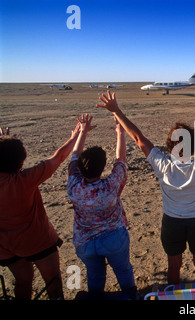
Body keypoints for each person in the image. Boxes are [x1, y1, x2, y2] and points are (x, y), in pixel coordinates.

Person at [95, 89, 195, 284]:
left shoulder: (162, 165)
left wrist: (117, 111)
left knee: (174, 266)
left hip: (172, 222)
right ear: (192, 146)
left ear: (170, 146)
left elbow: (138, 138)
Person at [0, 121, 81, 300]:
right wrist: (74, 137)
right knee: (53, 281)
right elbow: (58, 157)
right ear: (20, 162)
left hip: (4, 246)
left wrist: (4, 144)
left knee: (22, 280)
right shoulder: (25, 180)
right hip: (36, 241)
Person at [66, 114, 137, 298]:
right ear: (103, 166)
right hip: (113, 237)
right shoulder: (110, 186)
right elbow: (121, 159)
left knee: (95, 276)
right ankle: (130, 295)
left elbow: (74, 156)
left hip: (85, 241)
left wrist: (82, 132)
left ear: (80, 168)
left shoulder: (74, 186)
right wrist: (120, 132)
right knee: (123, 270)